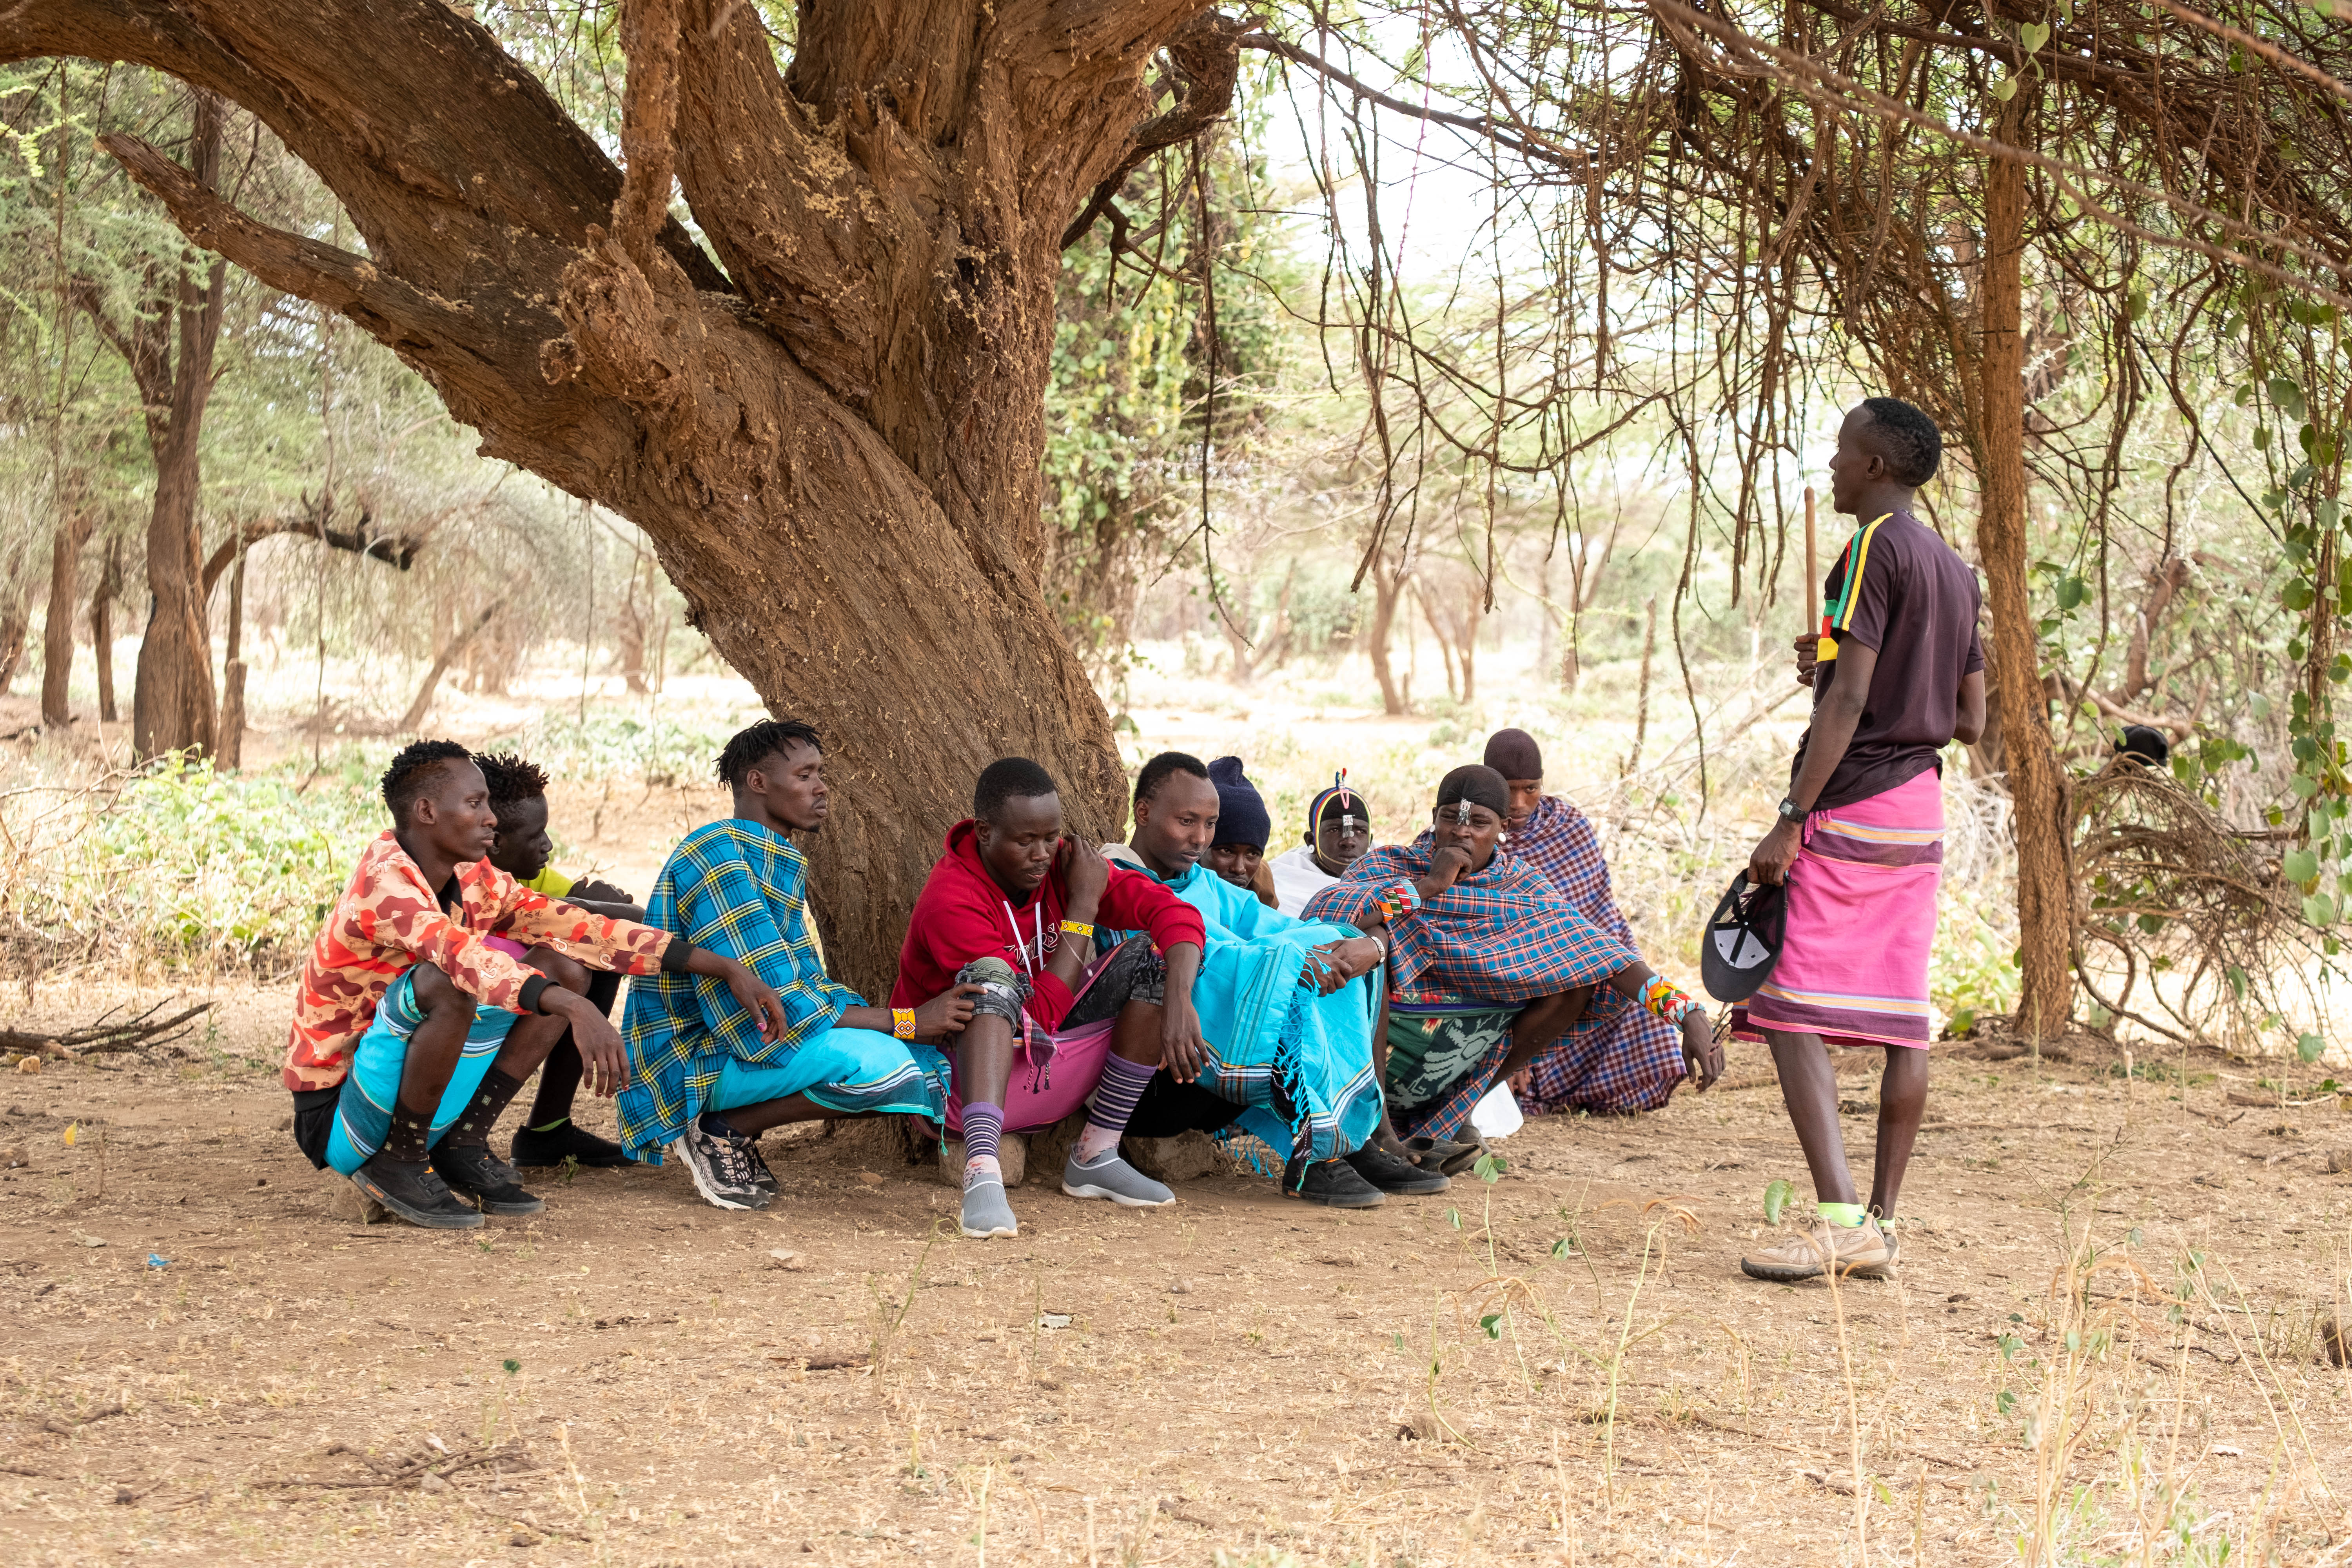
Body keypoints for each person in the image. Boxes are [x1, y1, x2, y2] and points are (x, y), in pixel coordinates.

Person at [283, 740, 788, 1230]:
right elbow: (463, 958)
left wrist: (723, 967)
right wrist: (577, 1010)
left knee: (566, 965)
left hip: (394, 1080)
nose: (491, 818)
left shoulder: (473, 876)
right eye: (475, 803)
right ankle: (401, 1159)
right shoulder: (385, 882)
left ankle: (463, 1142)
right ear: (426, 811)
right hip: (337, 1109)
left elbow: (575, 925)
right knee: (448, 982)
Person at [1733, 396, 1986, 1284]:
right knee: (1901, 1020)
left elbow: (1846, 704)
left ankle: (1842, 1220)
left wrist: (1790, 817)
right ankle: (1882, 1221)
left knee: (1784, 1002)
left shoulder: (1873, 546)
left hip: (1851, 807)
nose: (1832, 466)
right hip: (1918, 810)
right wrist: (1838, 662)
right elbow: (1969, 717)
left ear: (1876, 467)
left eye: (1842, 453)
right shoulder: (1957, 571)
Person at [618, 720, 978, 1210]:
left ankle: (729, 1127)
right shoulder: (719, 854)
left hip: (739, 1048)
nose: (821, 786)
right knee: (887, 1066)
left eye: (820, 773)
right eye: (806, 774)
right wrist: (911, 1020)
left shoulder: (768, 857)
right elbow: (780, 1001)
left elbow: (803, 987)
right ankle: (719, 1129)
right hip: (690, 1062)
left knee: (924, 1068)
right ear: (759, 783)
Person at [1305, 766, 1722, 1151]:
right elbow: (1335, 914)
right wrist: (1429, 884)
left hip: (1462, 1050)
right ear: (1434, 817)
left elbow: (1603, 952)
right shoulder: (1390, 863)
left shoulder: (1523, 887)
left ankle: (1456, 1108)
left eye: (1479, 822)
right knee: (1370, 937)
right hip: (1381, 1042)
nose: (1462, 832)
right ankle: (1379, 1130)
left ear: (1503, 828)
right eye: (1451, 817)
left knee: (1577, 982)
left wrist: (1688, 1014)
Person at [893, 757, 1209, 1239]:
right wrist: (1083, 908)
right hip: (961, 1088)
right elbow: (1031, 1017)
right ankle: (982, 1172)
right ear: (984, 832)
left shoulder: (1064, 864)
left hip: (1050, 1067)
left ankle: (1095, 1153)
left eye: (1051, 837)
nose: (1044, 854)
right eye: (1026, 841)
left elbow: (1175, 913)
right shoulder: (951, 899)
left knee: (1156, 956)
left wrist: (1180, 1001)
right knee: (992, 979)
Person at [1107, 752, 1433, 1207]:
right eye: (1186, 821)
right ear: (1143, 812)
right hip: (1149, 1086)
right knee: (1276, 977)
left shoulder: (1200, 881)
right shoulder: (1118, 880)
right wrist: (1295, 963)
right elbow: (1214, 952)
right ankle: (1314, 1153)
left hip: (1207, 1078)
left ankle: (1346, 1142)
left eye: (1209, 825)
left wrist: (1357, 946)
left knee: (1316, 943)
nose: (1199, 839)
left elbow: (1269, 926)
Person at [1480, 728, 1688, 1116]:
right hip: (1507, 981)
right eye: (1508, 789)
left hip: (1586, 963)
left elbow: (1592, 920)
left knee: (1626, 987)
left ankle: (1592, 1086)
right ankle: (1510, 1067)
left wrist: (1682, 1010)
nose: (1519, 802)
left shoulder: (1568, 825)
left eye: (1531, 789)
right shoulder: (1471, 829)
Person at [475, 750, 646, 1169]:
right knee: (568, 962)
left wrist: (587, 906)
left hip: (498, 1015)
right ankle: (467, 1136)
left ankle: (547, 1130)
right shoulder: (457, 882)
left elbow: (599, 918)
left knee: (594, 949)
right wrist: (581, 906)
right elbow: (564, 915)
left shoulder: (525, 875)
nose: (548, 845)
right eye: (537, 836)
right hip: (454, 1028)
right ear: (495, 838)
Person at [1270, 773, 1374, 916]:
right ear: (1311, 841)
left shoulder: (1386, 875)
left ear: (1370, 840)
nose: (1349, 842)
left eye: (1360, 831)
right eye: (1335, 830)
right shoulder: (1280, 879)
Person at [1201, 756, 1279, 908]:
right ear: (1200, 846)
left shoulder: (1261, 885)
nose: (1239, 869)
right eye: (1226, 851)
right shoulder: (1169, 880)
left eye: (1252, 854)